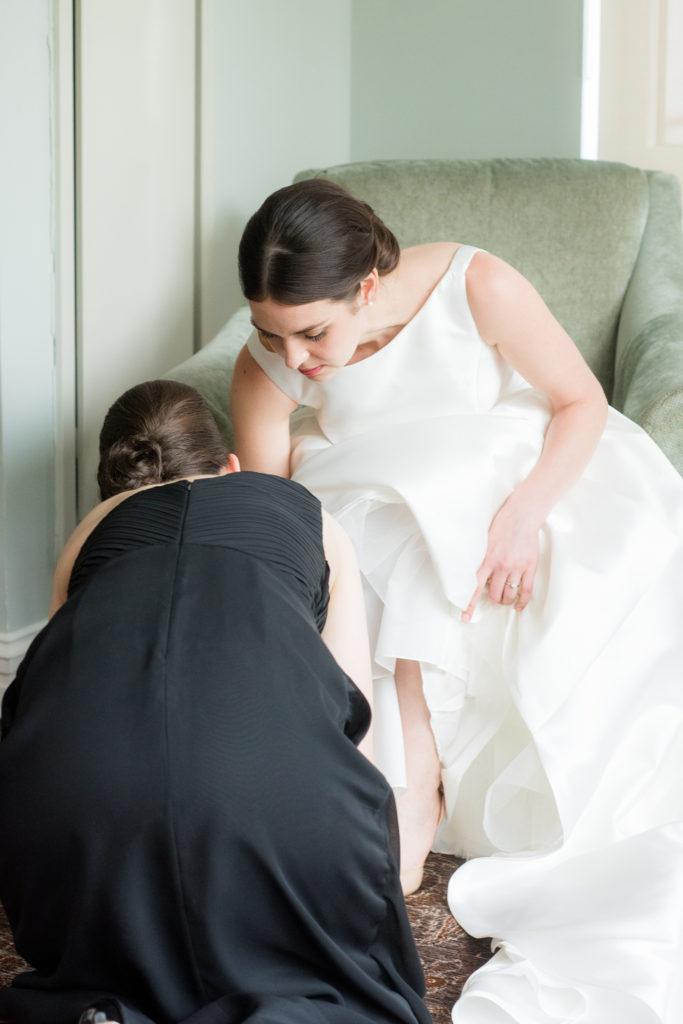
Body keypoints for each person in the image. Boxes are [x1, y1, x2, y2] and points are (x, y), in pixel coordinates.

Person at [229, 179, 683, 1024]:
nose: (291, 360)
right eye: (267, 332)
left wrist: (521, 516)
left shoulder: (478, 285)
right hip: (374, 497)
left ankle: (429, 786)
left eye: (311, 333)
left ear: (366, 286)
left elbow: (579, 402)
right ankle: (406, 778)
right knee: (384, 532)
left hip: (518, 477)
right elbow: (274, 521)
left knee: (454, 527)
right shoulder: (267, 371)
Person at [0, 380, 432, 1024]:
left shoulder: (88, 534)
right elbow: (347, 719)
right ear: (230, 465)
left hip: (73, 810)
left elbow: (58, 693)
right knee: (369, 906)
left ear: (112, 488)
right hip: (268, 799)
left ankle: (108, 1002)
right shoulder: (311, 515)